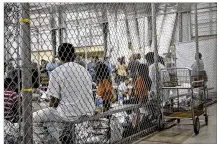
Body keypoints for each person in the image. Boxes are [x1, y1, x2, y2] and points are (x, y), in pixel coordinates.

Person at [33, 43, 95, 142]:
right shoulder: (84, 70)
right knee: (52, 117)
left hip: (69, 115)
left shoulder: (56, 72)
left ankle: (51, 142)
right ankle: (63, 138)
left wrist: (52, 107)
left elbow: (54, 103)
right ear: (74, 56)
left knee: (34, 118)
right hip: (88, 111)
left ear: (60, 57)